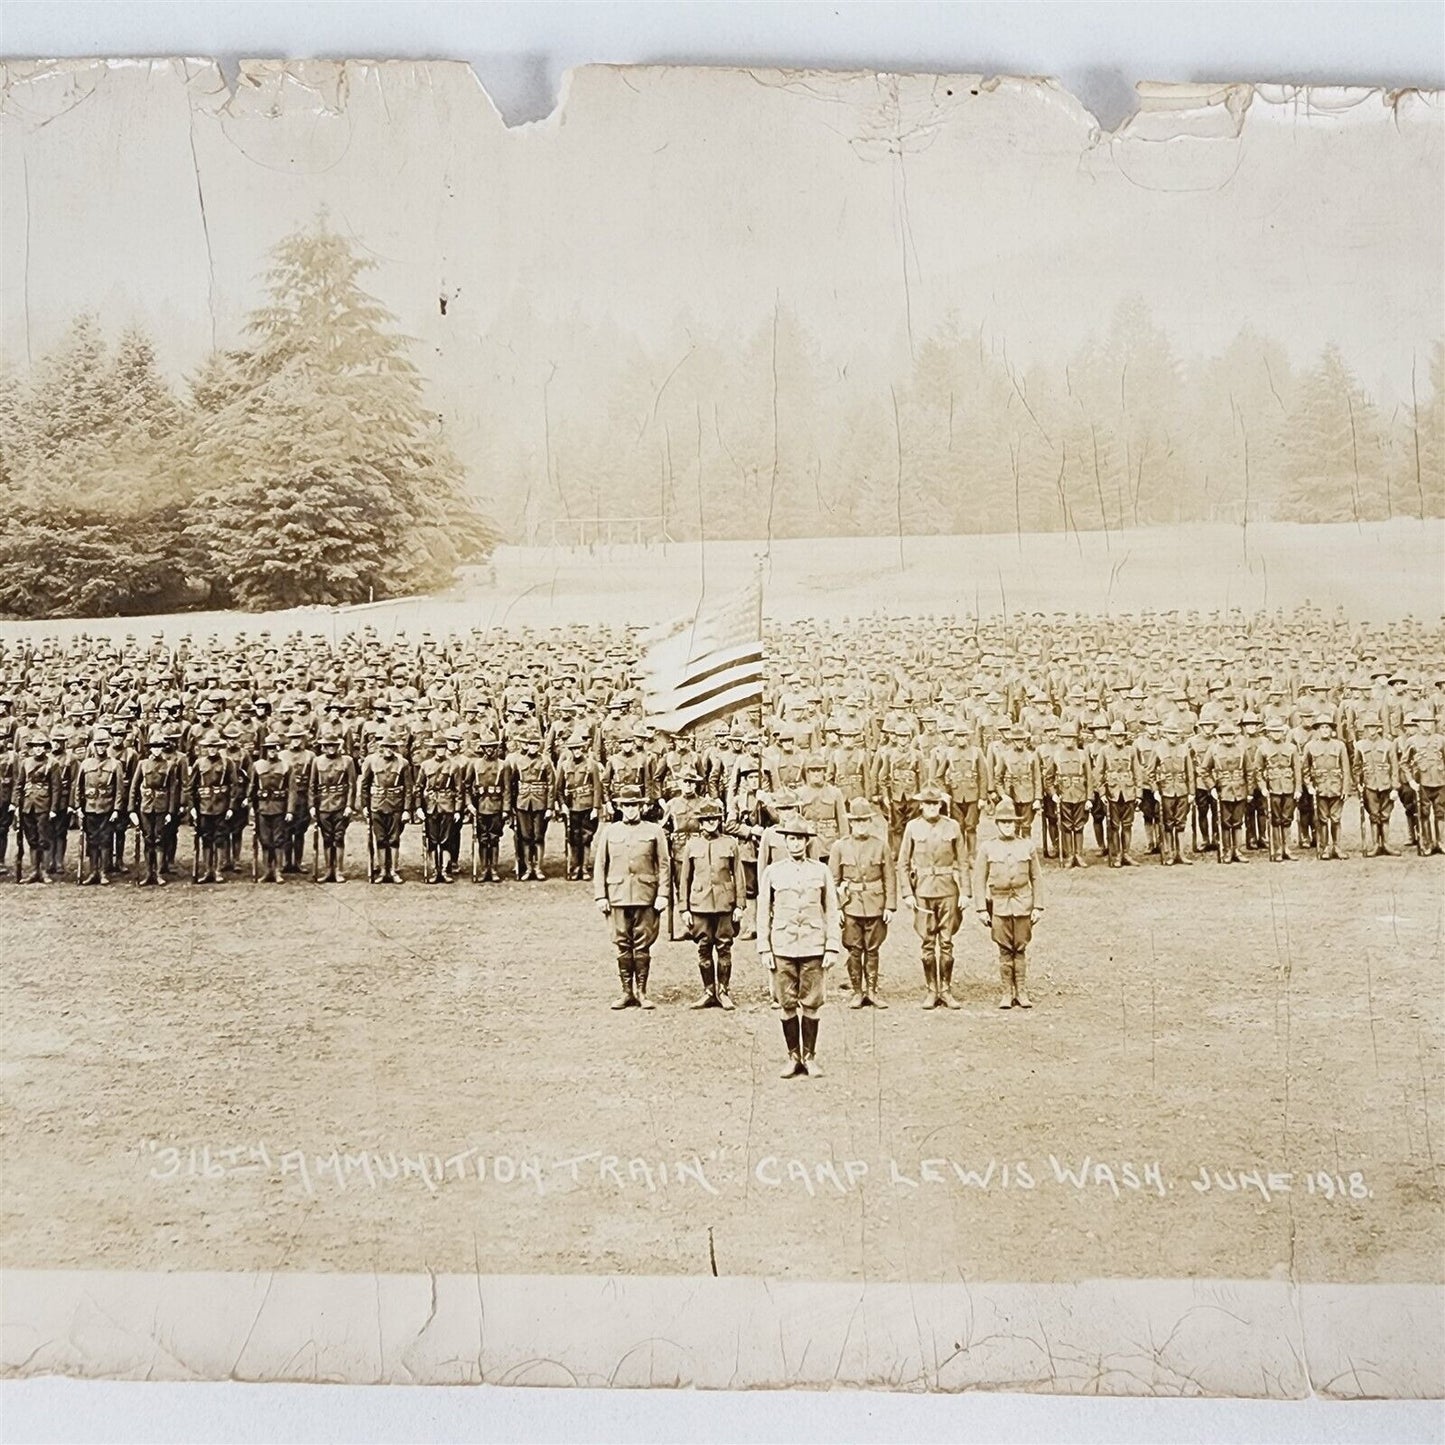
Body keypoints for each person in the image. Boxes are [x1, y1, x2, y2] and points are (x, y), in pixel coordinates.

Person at [757, 816, 841, 1078]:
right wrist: (764, 948)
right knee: (786, 1002)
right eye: (791, 838)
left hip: (813, 945)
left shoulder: (820, 871)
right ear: (785, 841)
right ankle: (793, 1056)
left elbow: (831, 910)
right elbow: (762, 911)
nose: (795, 844)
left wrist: (831, 946)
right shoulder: (773, 871)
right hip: (782, 945)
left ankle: (810, 1057)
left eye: (800, 839)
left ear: (807, 842)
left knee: (812, 1002)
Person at [593, 784, 671, 1010]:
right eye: (626, 806)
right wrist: (601, 895)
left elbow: (664, 865)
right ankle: (626, 991)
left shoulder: (654, 831)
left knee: (643, 944)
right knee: (622, 945)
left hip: (645, 895)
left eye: (634, 805)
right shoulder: (610, 831)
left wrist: (663, 894)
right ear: (620, 807)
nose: (630, 810)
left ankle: (642, 991)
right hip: (616, 896)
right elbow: (600, 865)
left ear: (642, 806)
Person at [896, 784, 967, 1009]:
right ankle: (931, 990)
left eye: (935, 803)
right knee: (927, 942)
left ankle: (945, 989)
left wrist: (965, 892)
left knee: (946, 942)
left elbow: (963, 862)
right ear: (921, 805)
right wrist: (907, 893)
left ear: (941, 804)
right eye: (927, 803)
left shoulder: (953, 826)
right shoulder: (912, 828)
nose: (931, 807)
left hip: (948, 890)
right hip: (923, 891)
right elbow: (903, 863)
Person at [972, 798, 1044, 1009]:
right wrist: (981, 909)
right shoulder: (987, 848)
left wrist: (1038, 906)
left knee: (1020, 948)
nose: (1007, 826)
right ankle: (1006, 992)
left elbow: (1036, 878)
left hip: (1022, 903)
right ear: (997, 824)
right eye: (1003, 822)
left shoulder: (1027, 846)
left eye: (1011, 822)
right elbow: (979, 879)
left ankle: (1021, 991)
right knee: (1004, 949)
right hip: (1000, 905)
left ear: (1016, 824)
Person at [827, 796, 896, 1007]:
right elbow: (832, 880)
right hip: (851, 905)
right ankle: (857, 992)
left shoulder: (880, 846)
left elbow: (890, 877)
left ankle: (872, 991)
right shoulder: (839, 847)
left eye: (865, 821)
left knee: (873, 949)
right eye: (857, 821)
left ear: (870, 821)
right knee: (854, 949)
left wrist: (890, 906)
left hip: (875, 904)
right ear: (851, 823)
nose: (861, 825)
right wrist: (837, 908)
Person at [679, 798, 746, 1009]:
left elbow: (739, 875)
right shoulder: (692, 845)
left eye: (714, 819)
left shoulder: (730, 843)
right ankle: (709, 990)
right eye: (706, 819)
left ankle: (723, 991)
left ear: (720, 820)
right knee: (704, 947)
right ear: (700, 822)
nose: (710, 823)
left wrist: (740, 906)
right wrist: (684, 908)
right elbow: (684, 880)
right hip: (700, 905)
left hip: (725, 904)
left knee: (724, 947)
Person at [128, 729, 182, 886]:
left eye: (160, 747)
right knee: (147, 839)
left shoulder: (170, 765)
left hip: (162, 807)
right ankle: (148, 873)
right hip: (145, 806)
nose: (157, 749)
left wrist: (171, 811)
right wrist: (132, 810)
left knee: (159, 839)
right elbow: (134, 787)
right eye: (154, 746)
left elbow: (173, 789)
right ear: (149, 748)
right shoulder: (142, 764)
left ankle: (158, 874)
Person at [360, 730, 413, 884]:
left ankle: (394, 871)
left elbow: (408, 788)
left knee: (394, 839)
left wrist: (406, 810)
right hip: (376, 804)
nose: (389, 750)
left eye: (392, 747)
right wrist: (365, 806)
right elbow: (364, 785)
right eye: (386, 747)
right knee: (381, 839)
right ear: (381, 747)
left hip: (396, 804)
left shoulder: (403, 763)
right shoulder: (371, 761)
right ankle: (383, 871)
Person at [74, 727, 124, 885]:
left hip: (107, 808)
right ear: (93, 746)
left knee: (106, 840)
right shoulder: (85, 764)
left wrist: (116, 809)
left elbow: (119, 790)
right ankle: (93, 871)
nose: (101, 747)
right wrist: (78, 808)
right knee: (92, 840)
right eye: (98, 745)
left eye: (104, 745)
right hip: (90, 808)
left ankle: (103, 872)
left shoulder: (115, 764)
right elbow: (78, 788)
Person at [1302, 715, 1351, 860]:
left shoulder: (1339, 745)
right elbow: (1305, 769)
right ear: (1317, 730)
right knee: (1322, 819)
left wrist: (1345, 789)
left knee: (1336, 819)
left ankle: (1337, 847)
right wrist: (1309, 786)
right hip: (1320, 788)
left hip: (1336, 787)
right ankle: (1324, 848)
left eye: (1327, 727)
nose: (1325, 730)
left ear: (1331, 730)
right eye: (1322, 727)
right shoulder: (1310, 746)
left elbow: (1346, 768)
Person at [248, 734, 291, 884]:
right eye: (269, 749)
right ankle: (267, 870)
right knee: (265, 840)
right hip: (262, 807)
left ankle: (278, 871)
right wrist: (251, 808)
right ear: (265, 750)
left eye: (275, 748)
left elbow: (292, 789)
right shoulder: (257, 765)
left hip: (279, 807)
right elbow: (252, 787)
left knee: (279, 840)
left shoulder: (285, 766)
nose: (272, 751)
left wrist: (290, 810)